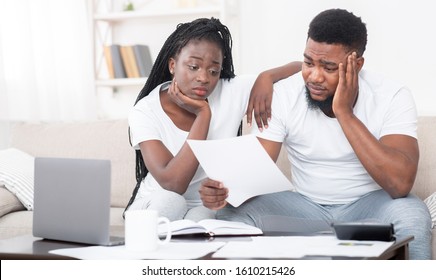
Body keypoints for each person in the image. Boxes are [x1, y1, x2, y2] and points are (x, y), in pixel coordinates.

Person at [199, 9, 432, 259]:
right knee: (231, 213)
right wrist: (224, 190)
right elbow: (253, 171)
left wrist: (344, 113)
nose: (314, 76)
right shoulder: (285, 95)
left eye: (329, 67)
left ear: (357, 64)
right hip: (303, 208)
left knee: (413, 214)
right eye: (309, 63)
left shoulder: (392, 96)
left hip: (369, 207)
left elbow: (400, 184)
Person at [125, 18, 301, 222]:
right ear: (173, 65)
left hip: (202, 204)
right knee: (172, 202)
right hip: (155, 203)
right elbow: (173, 184)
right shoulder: (145, 111)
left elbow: (300, 68)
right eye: (193, 67)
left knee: (206, 217)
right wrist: (203, 115)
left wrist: (266, 77)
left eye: (213, 71)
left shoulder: (229, 91)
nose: (204, 78)